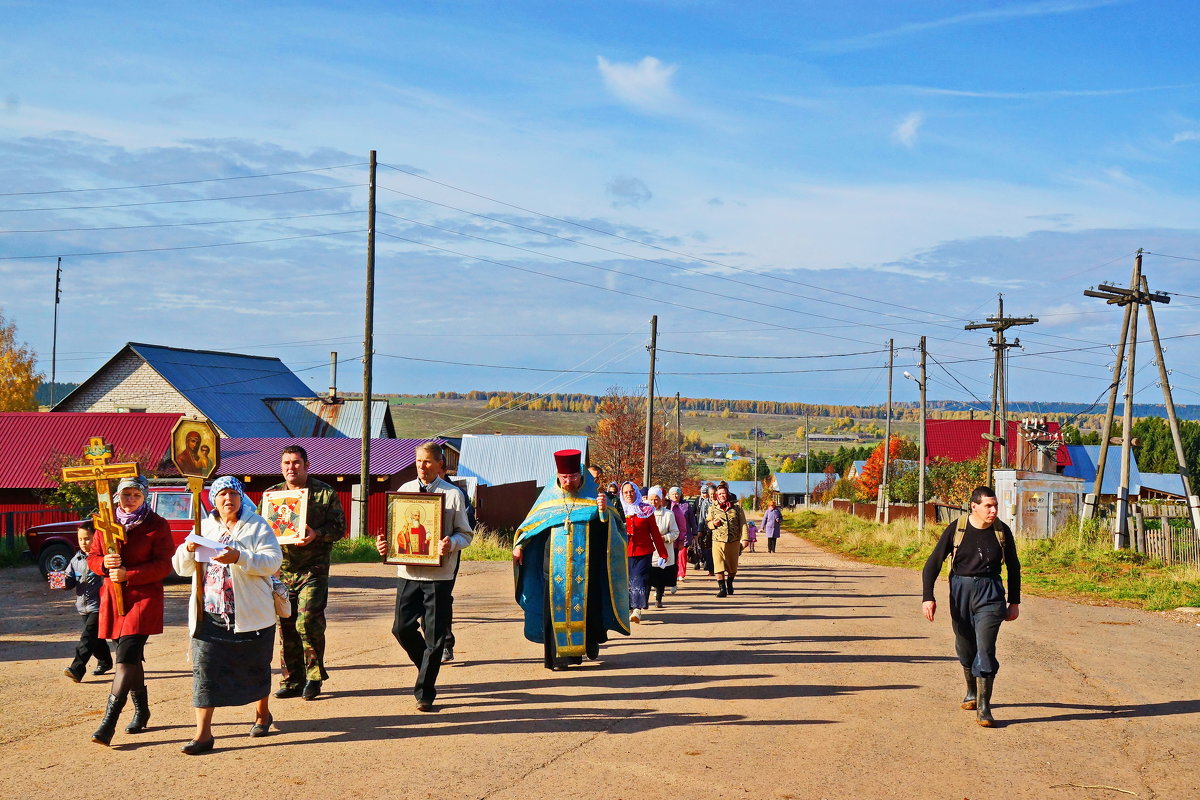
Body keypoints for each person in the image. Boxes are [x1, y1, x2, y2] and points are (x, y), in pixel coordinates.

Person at [173, 476, 283, 754]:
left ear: (241, 497)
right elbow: (181, 568)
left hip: (250, 614)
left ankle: (262, 714)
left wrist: (240, 557)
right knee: (205, 671)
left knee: (255, 667)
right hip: (209, 615)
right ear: (214, 500)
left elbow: (273, 562)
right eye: (221, 494)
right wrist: (187, 550)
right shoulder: (204, 527)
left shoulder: (257, 526)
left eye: (232, 493)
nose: (227, 499)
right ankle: (203, 735)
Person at [374, 441, 472, 711]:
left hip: (439, 575)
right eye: (419, 461)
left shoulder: (452, 495)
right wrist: (385, 547)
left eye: (428, 461)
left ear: (441, 465)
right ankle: (428, 667)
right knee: (401, 628)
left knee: (435, 636)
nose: (422, 466)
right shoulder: (404, 491)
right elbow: (396, 534)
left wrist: (450, 543)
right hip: (408, 571)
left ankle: (425, 691)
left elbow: (466, 534)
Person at [512, 449, 629, 669]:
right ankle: (558, 658)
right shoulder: (548, 500)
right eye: (564, 477)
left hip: (585, 567)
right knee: (553, 610)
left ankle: (587, 644)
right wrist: (519, 546)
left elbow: (614, 533)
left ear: (581, 475)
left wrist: (603, 513)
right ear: (557, 476)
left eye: (573, 477)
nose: (568, 481)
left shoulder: (593, 499)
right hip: (552, 567)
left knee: (586, 608)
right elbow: (529, 527)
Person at [86, 475, 175, 746]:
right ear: (118, 496)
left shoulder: (157, 525)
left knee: (125, 657)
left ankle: (108, 723)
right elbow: (92, 557)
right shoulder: (104, 523)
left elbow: (164, 565)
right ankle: (142, 710)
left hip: (143, 599)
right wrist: (104, 563)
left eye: (136, 495)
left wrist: (130, 574)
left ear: (144, 496)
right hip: (114, 599)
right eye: (126, 494)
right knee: (132, 656)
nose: (131, 499)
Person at [921, 486, 1021, 728]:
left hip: (991, 593)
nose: (994, 510)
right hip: (961, 592)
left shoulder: (1002, 531)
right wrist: (928, 596)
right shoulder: (957, 529)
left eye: (995, 505)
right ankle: (971, 691)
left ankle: (985, 708)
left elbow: (1014, 567)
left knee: (986, 648)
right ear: (974, 506)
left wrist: (1014, 601)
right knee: (965, 647)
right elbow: (932, 563)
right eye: (988, 505)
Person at [269, 445, 346, 702]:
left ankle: (314, 677)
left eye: (297, 462)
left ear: (307, 465)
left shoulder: (324, 493)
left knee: (307, 622)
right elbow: (262, 529)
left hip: (313, 570)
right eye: (287, 463)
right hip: (282, 571)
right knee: (286, 625)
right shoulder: (272, 496)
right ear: (281, 467)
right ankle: (292, 679)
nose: (292, 467)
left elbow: (339, 528)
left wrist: (317, 534)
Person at [57, 521, 112, 682]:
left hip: (100, 605)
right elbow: (70, 581)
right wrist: (62, 581)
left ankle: (77, 669)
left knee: (87, 637)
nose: (83, 542)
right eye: (80, 539)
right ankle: (105, 661)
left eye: (87, 538)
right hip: (83, 606)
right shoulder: (76, 559)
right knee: (96, 638)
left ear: (96, 538)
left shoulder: (103, 558)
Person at [619, 481, 669, 623]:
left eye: (631, 491)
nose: (629, 494)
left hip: (643, 552)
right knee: (627, 581)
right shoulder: (618, 510)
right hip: (623, 552)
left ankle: (637, 609)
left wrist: (663, 553)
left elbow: (655, 533)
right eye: (626, 492)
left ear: (636, 491)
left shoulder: (646, 510)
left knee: (639, 579)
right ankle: (628, 607)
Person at [706, 481, 748, 598]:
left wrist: (745, 539)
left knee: (732, 567)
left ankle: (729, 583)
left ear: (727, 494)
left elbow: (743, 524)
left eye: (723, 493)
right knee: (718, 565)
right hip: (718, 540)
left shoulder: (737, 508)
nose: (721, 496)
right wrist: (713, 524)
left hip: (733, 541)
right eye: (719, 494)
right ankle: (722, 589)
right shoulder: (713, 508)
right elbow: (707, 522)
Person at [646, 486, 680, 609]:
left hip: (662, 550)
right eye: (651, 499)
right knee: (647, 577)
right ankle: (644, 601)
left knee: (660, 576)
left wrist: (664, 538)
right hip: (647, 550)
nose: (653, 502)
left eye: (656, 499)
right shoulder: (643, 512)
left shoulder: (668, 514)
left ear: (661, 500)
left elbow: (675, 532)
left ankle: (659, 598)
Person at [668, 486, 692, 588]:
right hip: (670, 535)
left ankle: (681, 574)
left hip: (683, 534)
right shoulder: (666, 505)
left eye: (677, 493)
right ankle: (672, 575)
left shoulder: (686, 505)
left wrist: (695, 533)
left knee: (682, 555)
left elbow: (692, 520)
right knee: (672, 557)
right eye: (673, 494)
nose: (675, 495)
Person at [693, 484, 715, 575]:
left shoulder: (720, 502)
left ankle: (718, 568)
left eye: (714, 494)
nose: (712, 496)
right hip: (707, 529)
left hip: (719, 530)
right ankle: (710, 568)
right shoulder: (705, 503)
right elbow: (702, 517)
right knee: (708, 549)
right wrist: (700, 530)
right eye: (711, 494)